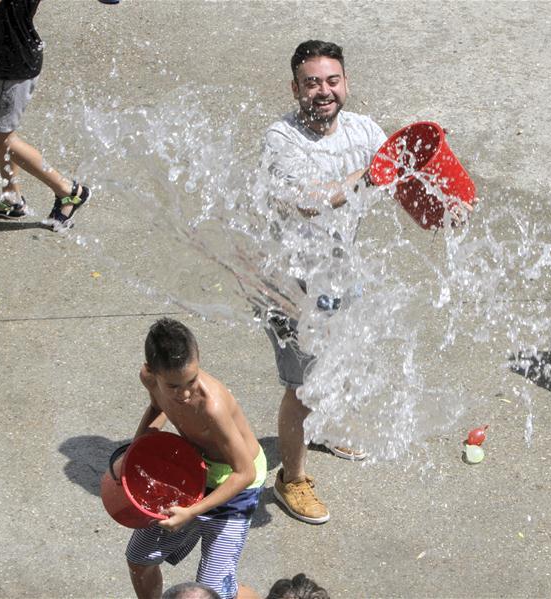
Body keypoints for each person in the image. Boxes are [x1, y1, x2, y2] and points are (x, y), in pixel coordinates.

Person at [258, 40, 387, 525]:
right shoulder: (281, 140)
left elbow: (404, 171)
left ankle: (325, 428)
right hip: (289, 287)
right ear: (295, 88)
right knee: (302, 387)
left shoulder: (363, 130)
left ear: (346, 84)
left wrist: (444, 198)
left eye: (332, 81)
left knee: (340, 359)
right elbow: (309, 201)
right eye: (312, 82)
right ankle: (290, 479)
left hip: (339, 273)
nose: (323, 91)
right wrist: (364, 176)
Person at [125, 319, 266, 599]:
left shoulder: (211, 406)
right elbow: (157, 406)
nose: (186, 393)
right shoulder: (148, 378)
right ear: (152, 372)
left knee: (215, 591)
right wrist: (133, 455)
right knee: (139, 558)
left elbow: (245, 472)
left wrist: (191, 512)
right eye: (174, 386)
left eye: (192, 380)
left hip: (235, 485)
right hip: (193, 471)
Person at [0, 0, 90, 231]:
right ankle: (11, 198)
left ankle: (69, 191)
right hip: (9, 57)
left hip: (13, 65)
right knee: (2, 133)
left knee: (1, 138)